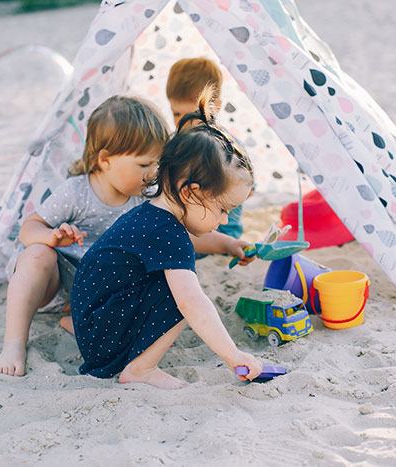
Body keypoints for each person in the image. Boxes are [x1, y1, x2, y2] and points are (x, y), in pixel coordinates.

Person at [70, 86, 264, 389]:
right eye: (224, 209)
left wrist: (226, 244)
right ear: (191, 192)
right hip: (102, 340)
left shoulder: (154, 215)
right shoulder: (166, 232)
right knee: (184, 295)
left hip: (94, 326)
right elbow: (192, 304)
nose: (225, 220)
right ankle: (140, 370)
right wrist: (233, 355)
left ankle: (138, 357)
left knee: (177, 286)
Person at [0, 95, 169, 377]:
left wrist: (226, 243)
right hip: (59, 281)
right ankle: (14, 342)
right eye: (144, 165)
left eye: (158, 163)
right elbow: (29, 229)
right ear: (105, 160)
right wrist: (51, 237)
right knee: (37, 254)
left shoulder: (143, 200)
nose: (154, 173)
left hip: (99, 292)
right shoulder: (77, 192)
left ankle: (77, 319)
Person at [166, 57, 245, 239]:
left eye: (192, 114)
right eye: (176, 113)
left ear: (215, 108)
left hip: (221, 230)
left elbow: (246, 187)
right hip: (184, 226)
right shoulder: (173, 142)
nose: (183, 122)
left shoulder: (227, 147)